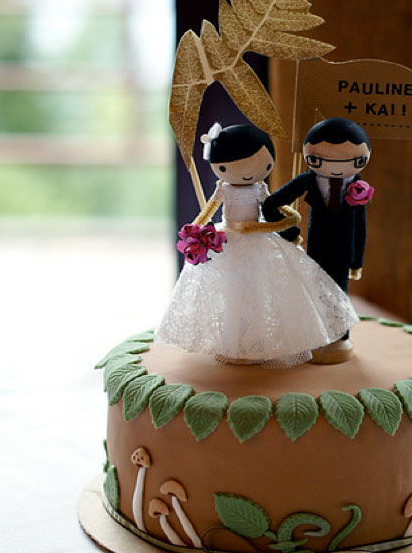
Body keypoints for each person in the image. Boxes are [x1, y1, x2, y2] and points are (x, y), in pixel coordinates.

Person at [155, 122, 358, 367]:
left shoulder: (260, 187)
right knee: (233, 292)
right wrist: (195, 230)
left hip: (259, 241)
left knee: (262, 290)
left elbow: (272, 205)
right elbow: (208, 211)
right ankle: (235, 344)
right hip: (229, 242)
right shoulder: (223, 188)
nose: (249, 172)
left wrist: (287, 219)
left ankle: (259, 343)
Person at [262, 117, 373, 363]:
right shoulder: (308, 181)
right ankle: (316, 335)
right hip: (316, 249)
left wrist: (357, 261)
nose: (335, 166)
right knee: (315, 293)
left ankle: (340, 338)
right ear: (309, 158)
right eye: (318, 159)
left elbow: (360, 227)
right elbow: (271, 204)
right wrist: (288, 232)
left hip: (344, 253)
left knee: (340, 295)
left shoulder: (359, 186)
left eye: (352, 160)